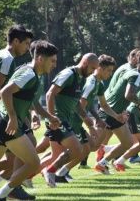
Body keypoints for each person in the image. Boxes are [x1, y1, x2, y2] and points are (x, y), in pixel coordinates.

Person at [0, 41, 60, 200]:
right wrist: (13, 117)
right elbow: (5, 92)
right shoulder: (29, 73)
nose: (55, 65)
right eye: (52, 61)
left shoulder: (33, 74)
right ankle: (2, 195)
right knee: (33, 163)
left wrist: (49, 117)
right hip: (6, 123)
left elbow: (31, 100)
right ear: (40, 59)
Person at [41, 53, 99, 188]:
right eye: (92, 68)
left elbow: (77, 102)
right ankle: (49, 171)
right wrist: (51, 118)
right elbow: (50, 93)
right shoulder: (68, 74)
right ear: (84, 63)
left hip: (64, 120)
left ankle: (22, 178)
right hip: (58, 120)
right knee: (78, 149)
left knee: (54, 155)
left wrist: (86, 118)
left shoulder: (82, 78)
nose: (93, 72)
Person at [66, 54, 128, 172]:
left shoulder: (99, 83)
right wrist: (90, 126)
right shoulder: (91, 83)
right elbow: (81, 104)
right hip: (72, 120)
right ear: (100, 69)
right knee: (82, 148)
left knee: (91, 147)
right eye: (109, 70)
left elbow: (103, 105)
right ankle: (59, 171)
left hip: (77, 120)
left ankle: (59, 171)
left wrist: (116, 116)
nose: (110, 74)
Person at [95, 53, 140, 173]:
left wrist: (123, 112)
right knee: (91, 146)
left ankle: (102, 164)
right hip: (108, 113)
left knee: (127, 143)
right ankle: (57, 163)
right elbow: (129, 95)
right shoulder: (136, 75)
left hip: (117, 114)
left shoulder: (133, 73)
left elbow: (122, 95)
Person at [0, 25, 34, 200]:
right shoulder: (7, 58)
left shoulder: (0, 55)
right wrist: (2, 114)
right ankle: (12, 188)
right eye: (25, 43)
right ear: (15, 41)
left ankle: (9, 186)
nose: (27, 48)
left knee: (13, 159)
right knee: (22, 156)